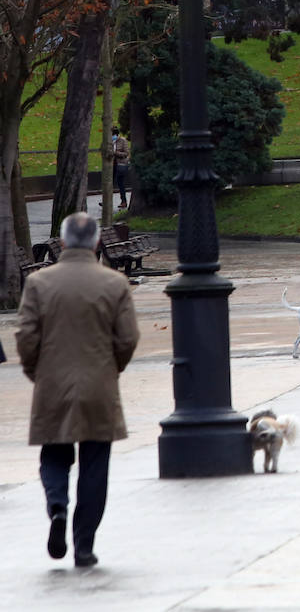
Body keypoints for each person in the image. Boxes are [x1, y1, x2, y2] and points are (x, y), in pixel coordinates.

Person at [17, 211, 140, 569]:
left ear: (65, 241)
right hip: (99, 384)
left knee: (54, 456)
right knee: (95, 465)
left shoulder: (40, 283)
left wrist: (35, 371)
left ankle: (57, 506)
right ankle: (83, 544)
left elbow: (26, 336)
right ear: (98, 242)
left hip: (52, 382)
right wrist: (111, 367)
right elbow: (128, 338)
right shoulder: (114, 283)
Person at [111, 128, 131, 209]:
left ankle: (124, 201)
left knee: (120, 183)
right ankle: (106, 201)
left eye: (112, 135)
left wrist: (115, 153)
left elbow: (126, 153)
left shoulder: (122, 141)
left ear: (116, 134)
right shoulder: (109, 141)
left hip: (120, 164)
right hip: (112, 164)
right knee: (109, 183)